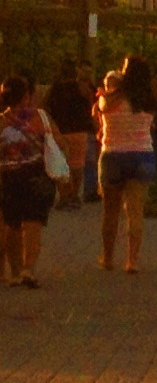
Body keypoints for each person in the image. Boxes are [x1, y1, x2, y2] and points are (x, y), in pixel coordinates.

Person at [95, 56, 157, 273]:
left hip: (113, 154)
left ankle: (108, 257)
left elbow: (100, 109)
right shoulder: (149, 99)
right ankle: (132, 260)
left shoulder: (111, 99)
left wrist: (115, 88)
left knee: (110, 211)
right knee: (135, 210)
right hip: (142, 154)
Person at [0, 75, 56, 286]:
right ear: (26, 96)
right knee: (33, 223)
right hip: (36, 174)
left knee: (13, 225)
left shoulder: (2, 121)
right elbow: (59, 142)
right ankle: (28, 269)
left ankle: (14, 272)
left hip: (9, 177)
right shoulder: (40, 117)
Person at [44, 65, 92, 210]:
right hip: (80, 130)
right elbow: (90, 103)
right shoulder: (82, 88)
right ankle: (74, 195)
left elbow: (46, 106)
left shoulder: (55, 89)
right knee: (77, 165)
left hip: (61, 130)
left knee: (61, 165)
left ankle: (65, 196)